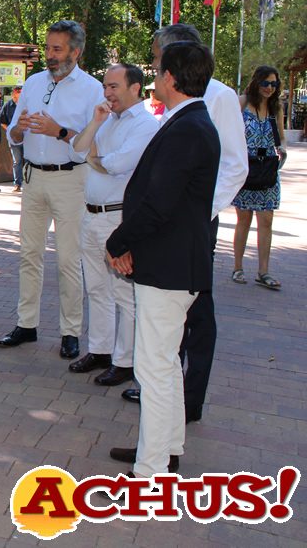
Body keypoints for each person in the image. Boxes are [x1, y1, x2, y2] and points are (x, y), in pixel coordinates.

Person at [121, 24, 248, 424]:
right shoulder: (176, 105)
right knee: (169, 324)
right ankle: (165, 398)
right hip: (171, 220)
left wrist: (196, 214)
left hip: (191, 220)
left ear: (174, 63)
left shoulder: (219, 97)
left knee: (197, 314)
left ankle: (187, 399)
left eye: (157, 59)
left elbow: (234, 165)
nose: (153, 67)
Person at [106, 41, 220, 477]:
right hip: (173, 263)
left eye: (156, 71)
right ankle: (167, 449)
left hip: (170, 267)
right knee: (166, 363)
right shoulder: (187, 121)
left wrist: (119, 241)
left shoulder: (189, 127)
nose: (154, 77)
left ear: (170, 78)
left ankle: (151, 469)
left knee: (153, 368)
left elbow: (159, 203)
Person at [0, 20, 104, 359]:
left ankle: (70, 332)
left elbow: (92, 145)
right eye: (47, 48)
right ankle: (26, 324)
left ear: (77, 51)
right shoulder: (32, 82)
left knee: (69, 260)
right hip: (32, 178)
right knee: (29, 254)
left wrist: (58, 131)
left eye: (57, 49)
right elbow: (13, 134)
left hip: (71, 180)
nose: (50, 56)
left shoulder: (92, 90)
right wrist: (20, 130)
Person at [67, 64, 158, 385]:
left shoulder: (146, 124)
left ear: (135, 88)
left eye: (114, 87)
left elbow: (119, 164)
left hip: (118, 218)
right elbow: (77, 150)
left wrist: (96, 159)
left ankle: (125, 361)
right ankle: (101, 350)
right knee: (96, 288)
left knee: (123, 293)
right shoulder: (107, 120)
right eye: (105, 86)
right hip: (90, 216)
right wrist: (95, 123)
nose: (107, 93)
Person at [231, 66, 287, 289]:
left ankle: (263, 271)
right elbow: (229, 133)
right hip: (247, 167)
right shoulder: (242, 102)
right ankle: (238, 267)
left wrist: (283, 150)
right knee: (243, 220)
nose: (270, 88)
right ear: (256, 82)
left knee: (266, 221)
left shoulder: (276, 107)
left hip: (268, 169)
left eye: (274, 84)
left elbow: (281, 137)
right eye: (266, 83)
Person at [1, 88, 24, 192]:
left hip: (27, 137)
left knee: (29, 160)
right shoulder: (7, 106)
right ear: (11, 95)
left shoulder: (26, 104)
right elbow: (3, 121)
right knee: (17, 161)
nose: (16, 100)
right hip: (14, 138)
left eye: (18, 97)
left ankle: (29, 183)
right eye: (14, 97)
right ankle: (17, 183)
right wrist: (11, 131)